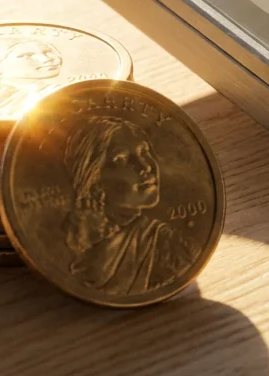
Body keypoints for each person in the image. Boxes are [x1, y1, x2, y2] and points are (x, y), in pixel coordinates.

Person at [63, 118, 197, 295]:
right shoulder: (73, 238)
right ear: (94, 180)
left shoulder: (172, 248)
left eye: (145, 152)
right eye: (122, 159)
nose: (145, 166)